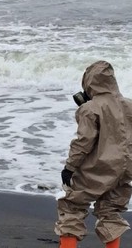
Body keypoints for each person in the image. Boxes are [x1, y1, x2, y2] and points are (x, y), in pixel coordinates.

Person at [55, 61, 132, 248]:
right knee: (111, 211)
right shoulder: (129, 105)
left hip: (98, 166)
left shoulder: (90, 108)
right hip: (124, 167)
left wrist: (70, 167)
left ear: (89, 82)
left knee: (72, 207)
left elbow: (83, 142)